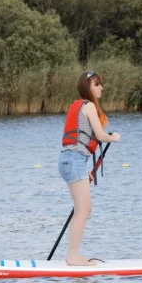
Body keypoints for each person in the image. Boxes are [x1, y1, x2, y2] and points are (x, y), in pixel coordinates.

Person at [58, 71, 120, 266]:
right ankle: (73, 257)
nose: (101, 88)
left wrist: (85, 169)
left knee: (83, 209)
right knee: (83, 210)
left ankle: (73, 255)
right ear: (87, 87)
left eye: (101, 84)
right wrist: (114, 137)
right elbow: (100, 136)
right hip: (74, 160)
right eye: (96, 84)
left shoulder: (79, 106)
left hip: (73, 160)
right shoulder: (89, 105)